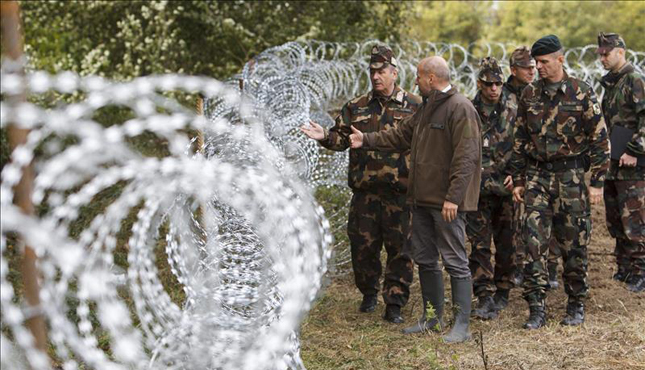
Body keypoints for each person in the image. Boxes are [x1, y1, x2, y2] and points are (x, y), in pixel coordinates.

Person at [349, 56, 482, 343]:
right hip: (421, 200)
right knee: (425, 259)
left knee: (455, 261)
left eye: (419, 78)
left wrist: (454, 198)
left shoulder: (460, 108)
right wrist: (366, 139)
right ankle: (432, 318)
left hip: (446, 203)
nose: (416, 83)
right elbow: (399, 135)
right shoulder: (427, 108)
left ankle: (461, 325)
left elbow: (467, 157)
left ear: (431, 78)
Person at [300, 45, 421, 323]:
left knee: (400, 250)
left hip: (400, 192)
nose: (376, 77)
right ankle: (369, 292)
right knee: (362, 247)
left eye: (381, 72)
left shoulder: (414, 105)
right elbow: (340, 139)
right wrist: (324, 137)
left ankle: (394, 302)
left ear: (394, 72)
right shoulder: (357, 107)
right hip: (366, 192)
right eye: (372, 72)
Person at [510, 35, 610, 329]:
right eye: (535, 63)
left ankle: (575, 303)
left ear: (560, 59)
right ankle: (536, 307)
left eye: (543, 62)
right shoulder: (529, 96)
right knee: (533, 243)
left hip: (571, 179)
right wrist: (517, 180)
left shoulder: (581, 92)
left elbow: (600, 140)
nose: (538, 67)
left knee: (574, 243)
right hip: (538, 177)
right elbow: (519, 140)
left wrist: (598, 182)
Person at [504, 47, 563, 290]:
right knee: (521, 223)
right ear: (513, 69)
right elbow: (506, 138)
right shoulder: (504, 95)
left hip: (541, 168)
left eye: (534, 65)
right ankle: (521, 267)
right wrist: (511, 172)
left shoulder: (542, 91)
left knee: (549, 221)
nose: (532, 70)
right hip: (516, 168)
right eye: (527, 67)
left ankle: (550, 268)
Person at [467, 57, 516, 320]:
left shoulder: (512, 108)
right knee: (479, 246)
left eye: (498, 83)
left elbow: (523, 146)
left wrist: (516, 174)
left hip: (505, 190)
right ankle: (484, 295)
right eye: (489, 84)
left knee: (507, 243)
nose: (494, 88)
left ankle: (504, 289)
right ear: (480, 84)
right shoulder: (468, 110)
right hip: (477, 190)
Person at [597, 32, 645, 293]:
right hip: (615, 161)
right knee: (616, 218)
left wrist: (634, 150)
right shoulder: (613, 83)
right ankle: (624, 268)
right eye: (600, 54)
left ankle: (640, 271)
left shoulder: (634, 80)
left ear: (620, 52)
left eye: (607, 53)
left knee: (634, 218)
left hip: (633, 165)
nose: (602, 58)